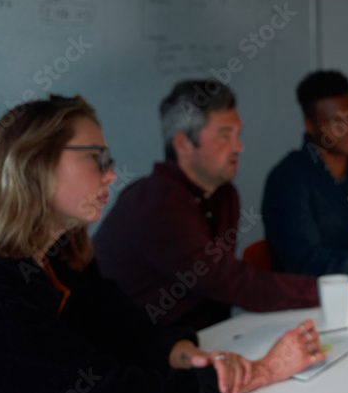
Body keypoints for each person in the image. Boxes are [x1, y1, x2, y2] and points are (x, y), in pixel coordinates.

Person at [0, 95, 326, 393]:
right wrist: (258, 373)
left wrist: (191, 358)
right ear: (34, 162)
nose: (112, 175)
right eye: (94, 158)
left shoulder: (58, 249)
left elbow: (120, 329)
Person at [93, 81, 319, 330]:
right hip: (143, 353)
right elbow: (229, 281)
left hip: (208, 339)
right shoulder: (155, 203)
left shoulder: (224, 193)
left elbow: (221, 290)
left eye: (237, 135)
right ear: (183, 144)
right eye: (224, 136)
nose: (239, 147)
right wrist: (333, 290)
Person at [262, 70, 348, 297]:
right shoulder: (287, 179)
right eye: (335, 121)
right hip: (316, 304)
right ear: (309, 125)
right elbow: (305, 262)